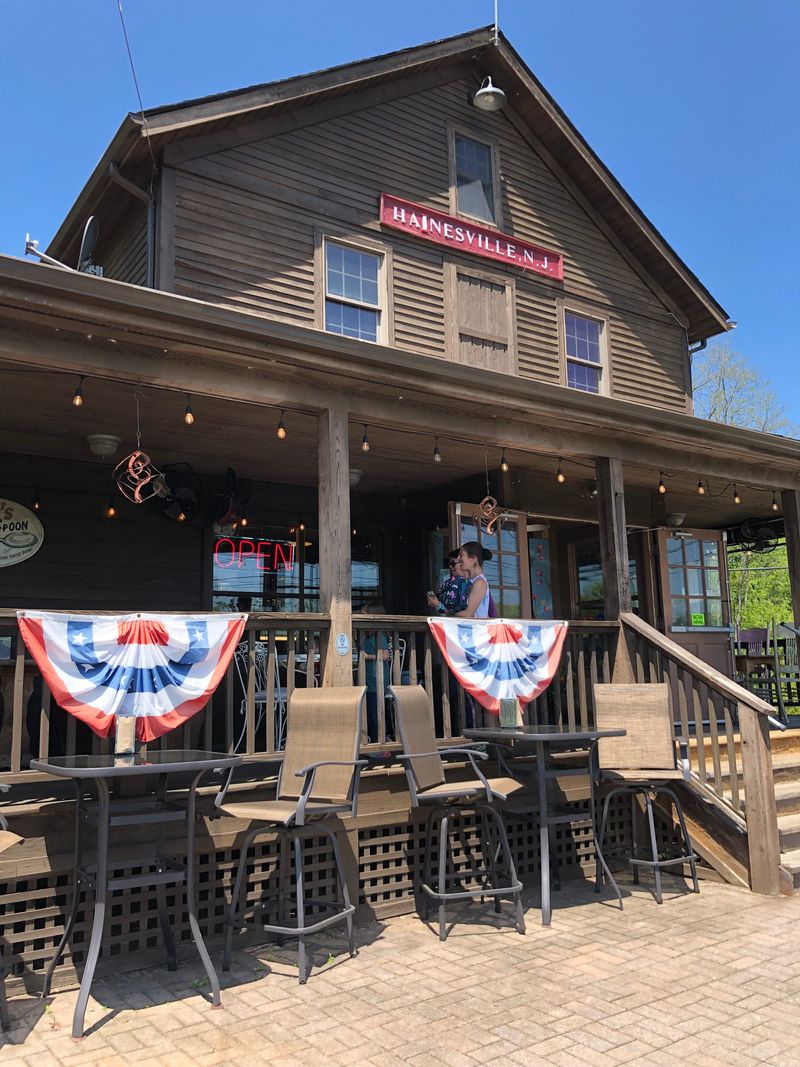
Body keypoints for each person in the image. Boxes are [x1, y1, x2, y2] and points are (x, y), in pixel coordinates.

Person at [361, 601, 393, 743]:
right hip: (368, 679)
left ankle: (381, 738)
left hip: (378, 679)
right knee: (369, 710)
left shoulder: (379, 635)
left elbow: (386, 655)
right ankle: (374, 737)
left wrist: (368, 657)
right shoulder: (365, 636)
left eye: (363, 615)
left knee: (376, 712)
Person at [426, 551, 470, 616]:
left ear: (462, 563)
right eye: (449, 564)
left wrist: (438, 605)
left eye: (453, 563)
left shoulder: (467, 583)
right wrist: (434, 602)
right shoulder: (446, 583)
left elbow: (457, 615)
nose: (450, 566)